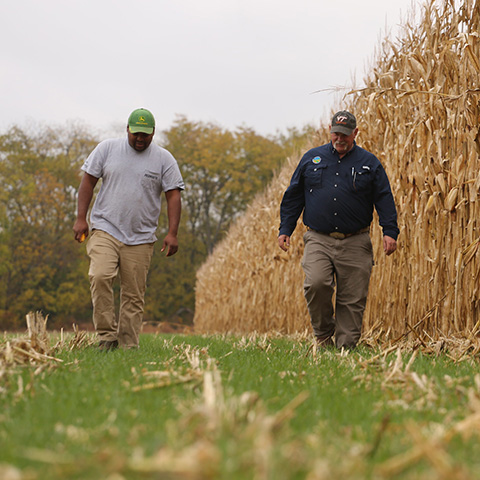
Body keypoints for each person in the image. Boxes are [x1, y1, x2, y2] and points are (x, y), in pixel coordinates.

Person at [278, 111, 399, 349]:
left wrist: (390, 231)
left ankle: (346, 347)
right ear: (329, 131)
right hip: (318, 238)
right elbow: (294, 196)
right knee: (316, 283)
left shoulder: (369, 163)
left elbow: (384, 197)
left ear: (355, 133)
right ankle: (323, 335)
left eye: (345, 134)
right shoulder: (311, 159)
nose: (340, 139)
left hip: (356, 240)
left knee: (352, 298)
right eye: (336, 133)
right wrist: (286, 229)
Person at [73, 108, 184, 350]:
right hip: (105, 228)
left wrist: (172, 233)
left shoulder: (164, 159)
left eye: (145, 134)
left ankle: (127, 346)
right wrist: (81, 218)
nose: (140, 138)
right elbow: (88, 182)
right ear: (127, 130)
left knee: (133, 295)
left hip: (141, 237)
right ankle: (107, 336)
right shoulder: (107, 149)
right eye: (136, 134)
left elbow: (173, 196)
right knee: (100, 275)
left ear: (153, 133)